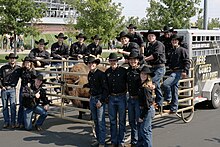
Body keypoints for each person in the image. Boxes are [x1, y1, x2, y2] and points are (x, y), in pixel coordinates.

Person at [83, 55, 108, 147]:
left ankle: (102, 142)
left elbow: (105, 89)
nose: (91, 65)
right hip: (92, 98)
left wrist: (101, 100)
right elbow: (92, 84)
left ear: (96, 64)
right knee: (96, 121)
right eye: (89, 63)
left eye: (92, 63)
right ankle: (98, 139)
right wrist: (87, 85)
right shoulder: (90, 74)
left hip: (99, 98)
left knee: (101, 121)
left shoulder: (101, 74)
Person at [162, 34, 190, 113]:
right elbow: (168, 61)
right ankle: (174, 109)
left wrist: (185, 71)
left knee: (165, 84)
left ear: (178, 42)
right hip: (172, 70)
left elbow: (187, 61)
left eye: (175, 41)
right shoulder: (171, 51)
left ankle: (168, 98)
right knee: (174, 89)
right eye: (173, 41)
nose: (174, 42)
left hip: (179, 71)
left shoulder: (182, 50)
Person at [105, 53, 127, 147]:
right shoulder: (107, 72)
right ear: (109, 62)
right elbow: (105, 86)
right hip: (111, 97)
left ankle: (121, 141)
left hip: (121, 96)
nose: (113, 62)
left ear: (117, 61)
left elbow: (128, 82)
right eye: (111, 61)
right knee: (112, 120)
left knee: (122, 120)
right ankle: (114, 141)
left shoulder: (123, 71)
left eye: (114, 60)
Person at [144, 29, 166, 111]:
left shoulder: (159, 44)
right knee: (155, 84)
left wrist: (145, 59)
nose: (150, 37)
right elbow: (146, 54)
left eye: (152, 36)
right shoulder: (149, 46)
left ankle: (158, 102)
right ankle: (157, 102)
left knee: (153, 82)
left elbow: (155, 55)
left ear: (155, 36)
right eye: (149, 36)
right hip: (152, 67)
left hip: (159, 67)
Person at [0, 53, 21, 128]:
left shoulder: (18, 69)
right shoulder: (3, 68)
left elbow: (25, 75)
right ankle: (6, 122)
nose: (12, 59)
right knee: (5, 107)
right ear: (8, 59)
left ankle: (13, 122)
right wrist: (1, 86)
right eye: (11, 58)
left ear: (16, 60)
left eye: (14, 58)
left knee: (13, 106)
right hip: (4, 88)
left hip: (12, 89)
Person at [127, 51, 143, 146]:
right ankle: (134, 141)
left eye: (134, 60)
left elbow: (148, 83)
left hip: (138, 99)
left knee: (139, 121)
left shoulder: (141, 71)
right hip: (131, 98)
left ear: (138, 61)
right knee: (132, 121)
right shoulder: (128, 71)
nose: (133, 61)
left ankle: (140, 142)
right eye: (131, 60)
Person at [137, 66, 155, 147]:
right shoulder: (142, 85)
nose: (143, 75)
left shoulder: (145, 88)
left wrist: (141, 116)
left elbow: (147, 105)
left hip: (147, 110)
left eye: (145, 74)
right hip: (146, 109)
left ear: (148, 76)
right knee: (146, 129)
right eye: (142, 74)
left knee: (145, 130)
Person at [16, 56, 36, 128]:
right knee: (21, 105)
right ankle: (19, 121)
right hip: (22, 88)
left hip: (29, 89)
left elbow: (35, 81)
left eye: (28, 62)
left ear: (31, 63)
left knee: (28, 105)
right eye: (25, 62)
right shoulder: (22, 70)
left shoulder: (33, 71)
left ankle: (26, 121)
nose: (27, 64)